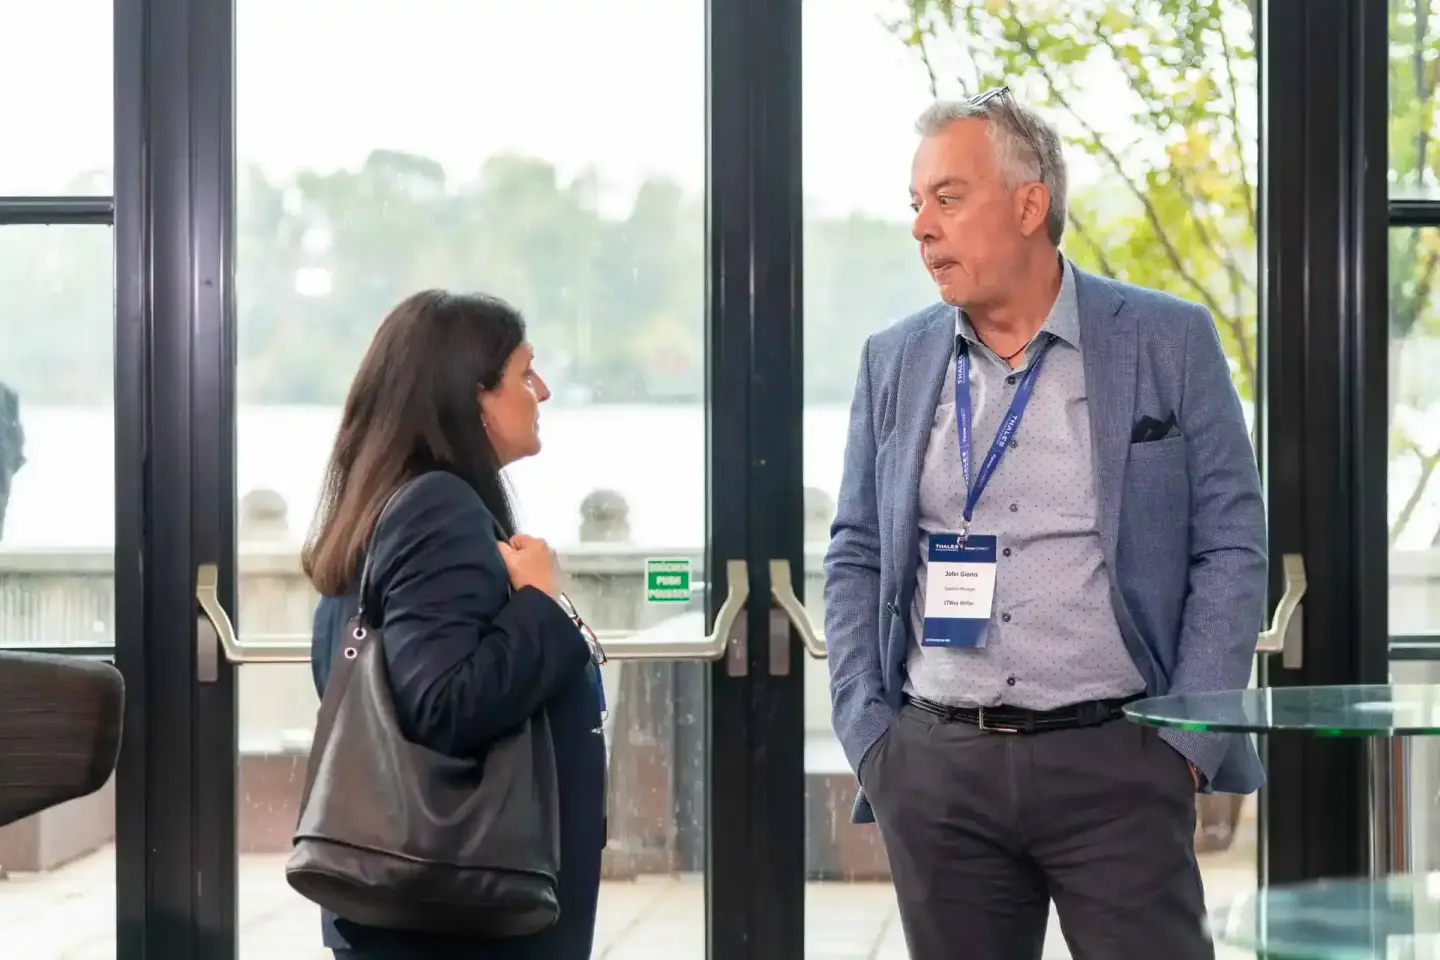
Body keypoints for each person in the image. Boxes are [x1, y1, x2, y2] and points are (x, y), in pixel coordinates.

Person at [823, 88, 1267, 960]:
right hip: (938, 769)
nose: (922, 227)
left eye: (948, 198)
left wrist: (1184, 747)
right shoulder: (895, 360)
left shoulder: (1167, 341)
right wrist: (872, 736)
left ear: (1031, 205)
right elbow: (858, 552)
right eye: (915, 204)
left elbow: (1231, 544)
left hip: (1121, 763)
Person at [302, 290, 607, 960]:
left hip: (429, 913)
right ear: (473, 398)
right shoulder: (437, 509)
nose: (543, 391)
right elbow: (444, 704)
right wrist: (536, 602)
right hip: (462, 919)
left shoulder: (389, 501)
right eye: (524, 375)